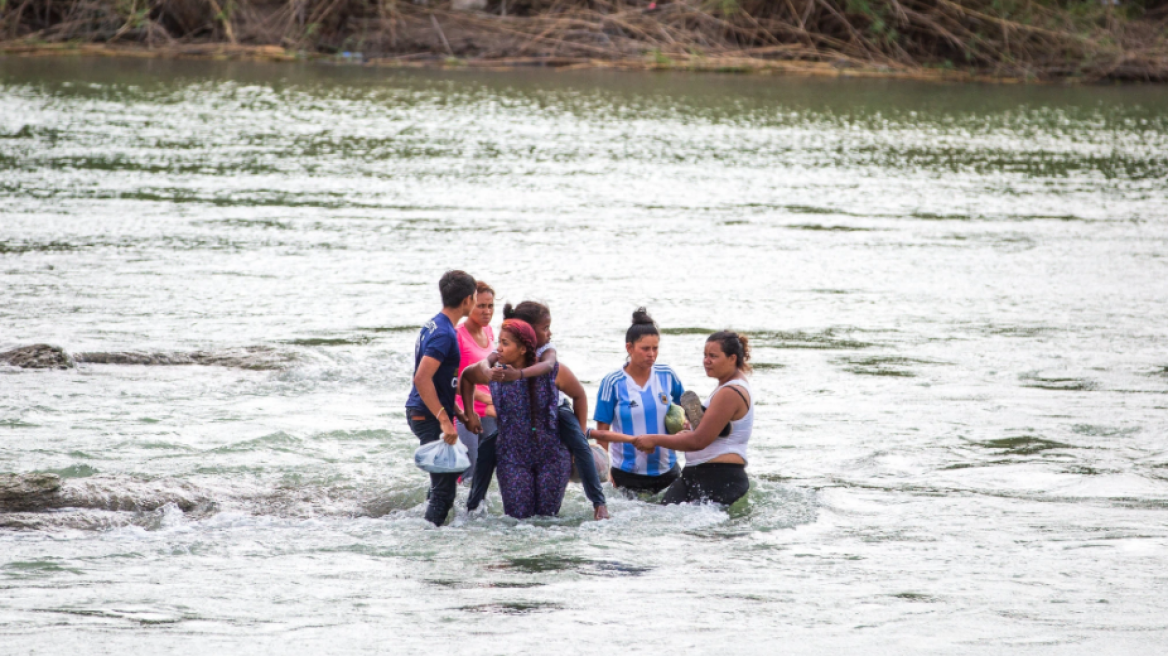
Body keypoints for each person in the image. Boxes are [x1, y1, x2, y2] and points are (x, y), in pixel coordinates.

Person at [466, 301, 612, 520]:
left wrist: (519, 375)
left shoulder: (547, 352)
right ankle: (472, 507)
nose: (550, 332)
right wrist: (472, 408)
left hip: (555, 409)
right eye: (545, 328)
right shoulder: (504, 355)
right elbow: (476, 370)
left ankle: (599, 503)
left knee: (579, 445)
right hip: (517, 431)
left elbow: (550, 368)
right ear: (527, 331)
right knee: (488, 448)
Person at [632, 331, 753, 506]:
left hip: (719, 478)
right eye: (705, 355)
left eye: (713, 356)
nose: (706, 361)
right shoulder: (726, 387)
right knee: (658, 518)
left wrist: (654, 440)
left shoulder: (731, 392)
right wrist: (689, 431)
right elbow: (704, 437)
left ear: (732, 358)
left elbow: (698, 441)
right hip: (696, 474)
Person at [404, 270, 477, 526]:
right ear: (468, 300)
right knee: (445, 492)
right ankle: (427, 542)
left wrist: (458, 412)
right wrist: (444, 420)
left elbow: (442, 381)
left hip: (424, 411)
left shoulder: (433, 324)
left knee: (442, 480)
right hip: (427, 414)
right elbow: (422, 378)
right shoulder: (445, 334)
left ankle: (428, 526)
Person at [590, 308, 686, 495]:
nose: (651, 354)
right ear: (629, 348)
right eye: (645, 349)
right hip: (625, 476)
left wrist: (685, 424)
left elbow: (686, 408)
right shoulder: (613, 383)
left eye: (655, 348)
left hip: (669, 472)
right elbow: (601, 433)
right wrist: (605, 476)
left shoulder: (667, 375)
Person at [454, 280, 496, 479]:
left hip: (489, 411)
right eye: (481, 306)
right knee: (467, 471)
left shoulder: (489, 331)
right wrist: (487, 398)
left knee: (488, 471)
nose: (487, 311)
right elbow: (451, 382)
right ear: (470, 305)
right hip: (466, 411)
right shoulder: (457, 336)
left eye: (490, 306)